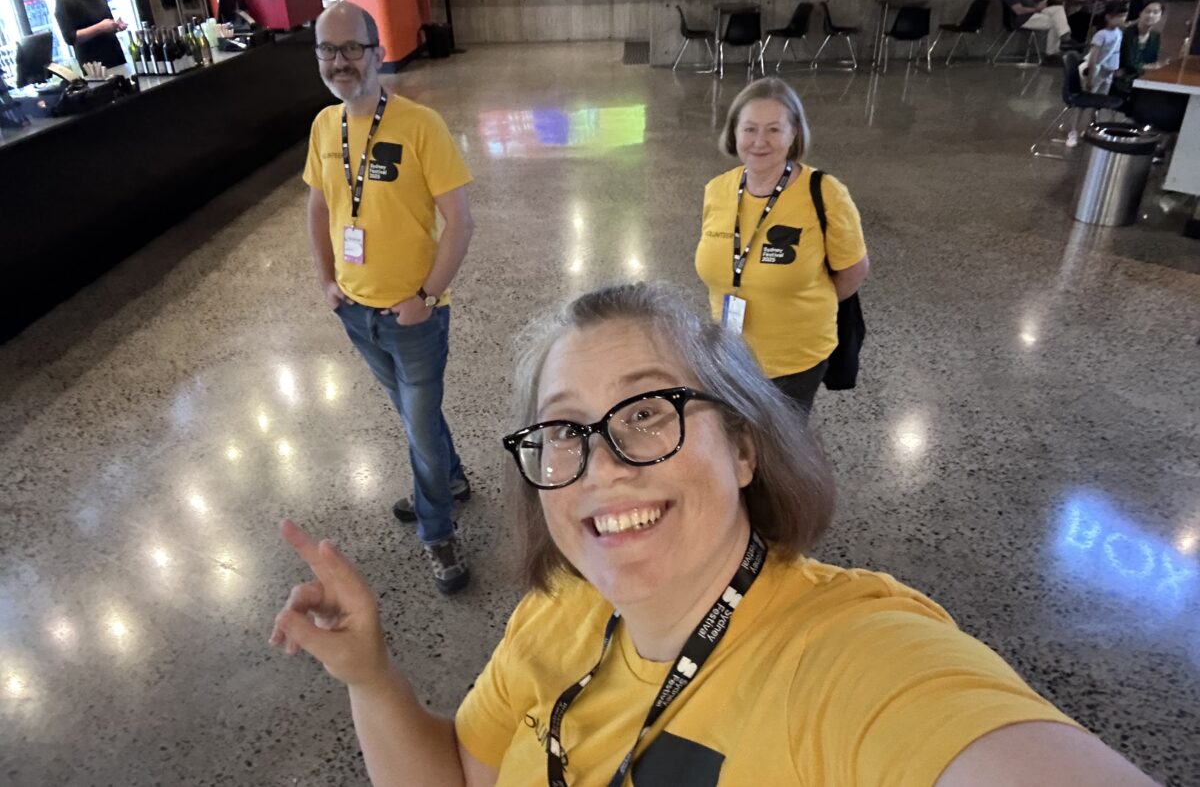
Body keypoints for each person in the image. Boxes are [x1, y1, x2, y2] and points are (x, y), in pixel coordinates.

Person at [270, 282, 1158, 786]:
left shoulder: (852, 660)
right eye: (564, 429)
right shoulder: (559, 615)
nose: (600, 465)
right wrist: (371, 677)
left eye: (649, 413)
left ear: (741, 444)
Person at [303, 1, 476, 594]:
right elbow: (320, 205)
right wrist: (328, 281)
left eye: (352, 48)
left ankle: (438, 531)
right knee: (413, 414)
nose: (340, 61)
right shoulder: (325, 127)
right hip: (355, 313)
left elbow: (460, 222)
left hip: (413, 315)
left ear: (378, 52)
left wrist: (426, 296)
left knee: (419, 425)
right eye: (328, 50)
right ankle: (450, 479)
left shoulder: (420, 125)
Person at [694, 78, 868, 414]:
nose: (760, 141)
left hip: (794, 361)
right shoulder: (717, 189)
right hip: (730, 355)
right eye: (749, 129)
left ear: (794, 135)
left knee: (779, 456)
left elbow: (853, 271)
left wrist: (796, 303)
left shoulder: (826, 192)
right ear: (735, 134)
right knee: (735, 447)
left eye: (774, 129)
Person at [1115, 1, 1164, 93]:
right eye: (1147, 11)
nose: (1150, 15)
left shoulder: (1155, 36)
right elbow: (1129, 62)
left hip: (1139, 78)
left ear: (1160, 17)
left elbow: (1152, 61)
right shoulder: (1127, 33)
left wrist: (1150, 68)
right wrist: (1147, 68)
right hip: (1121, 79)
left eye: (1155, 12)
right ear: (1140, 13)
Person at [1084, 1, 1127, 95]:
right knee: (1091, 94)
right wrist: (1090, 77)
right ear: (1108, 17)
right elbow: (1093, 58)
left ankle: (1096, 110)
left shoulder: (1118, 32)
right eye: (1120, 16)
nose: (1123, 19)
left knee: (1103, 95)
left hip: (1109, 71)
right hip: (1099, 71)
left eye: (1124, 15)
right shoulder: (1101, 35)